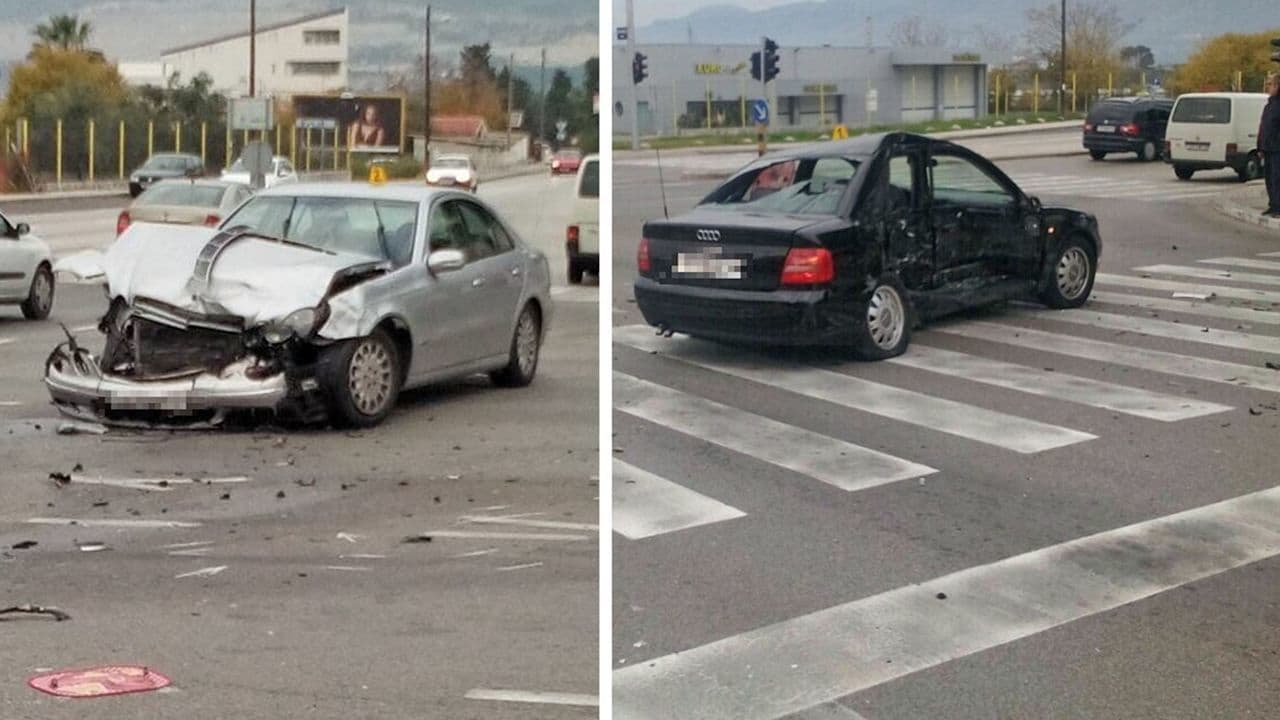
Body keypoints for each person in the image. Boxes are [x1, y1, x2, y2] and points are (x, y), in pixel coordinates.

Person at [1261, 73, 1280, 217]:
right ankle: (1273, 204)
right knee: (1269, 178)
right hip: (1267, 147)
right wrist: (1260, 145)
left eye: (1271, 84)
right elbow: (1264, 126)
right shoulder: (1269, 104)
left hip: (1277, 147)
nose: (1268, 87)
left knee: (1277, 177)